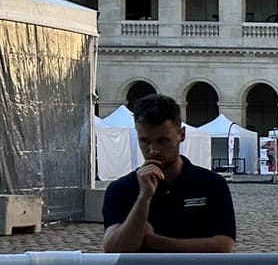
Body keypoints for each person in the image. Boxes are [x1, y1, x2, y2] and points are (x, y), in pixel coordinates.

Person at [101, 93, 237, 253]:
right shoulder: (121, 189)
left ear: (182, 135)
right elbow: (114, 250)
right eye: (145, 141)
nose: (153, 150)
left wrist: (154, 241)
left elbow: (223, 246)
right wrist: (143, 198)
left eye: (163, 141)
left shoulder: (211, 184)